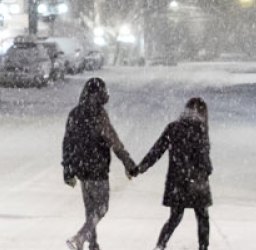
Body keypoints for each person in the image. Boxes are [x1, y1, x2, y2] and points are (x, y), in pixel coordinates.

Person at [58, 78, 134, 250]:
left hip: (81, 169)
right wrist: (127, 162)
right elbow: (114, 142)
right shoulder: (99, 116)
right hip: (97, 168)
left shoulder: (74, 114)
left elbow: (67, 143)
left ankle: (93, 244)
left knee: (90, 209)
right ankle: (80, 237)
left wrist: (67, 169)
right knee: (101, 208)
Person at [133, 96, 213, 250]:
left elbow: (157, 150)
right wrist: (208, 170)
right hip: (197, 181)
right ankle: (203, 247)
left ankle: (160, 244)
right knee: (202, 217)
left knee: (175, 216)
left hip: (177, 180)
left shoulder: (173, 128)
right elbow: (203, 156)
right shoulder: (200, 129)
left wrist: (141, 167)